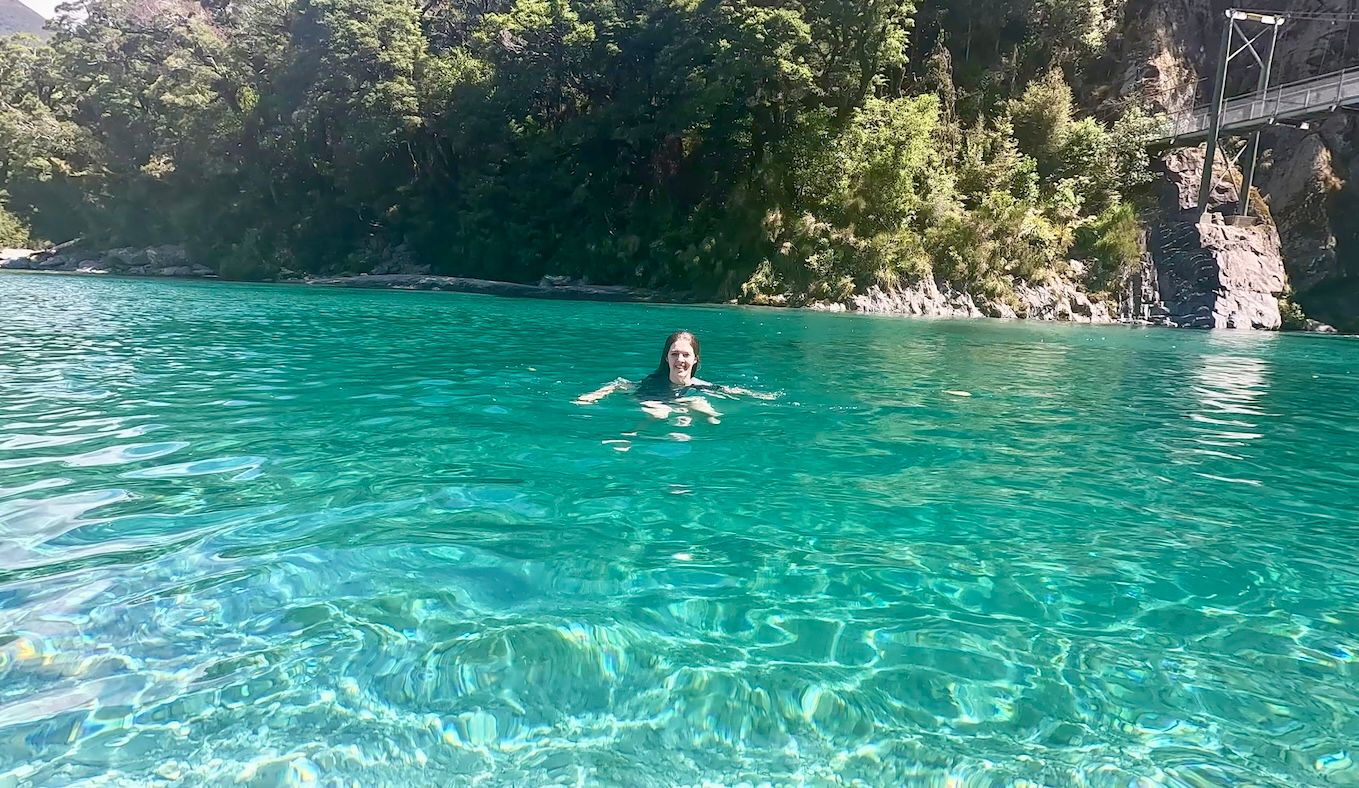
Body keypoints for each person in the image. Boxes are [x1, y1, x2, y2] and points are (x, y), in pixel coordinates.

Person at [574, 331, 769, 423]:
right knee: (661, 413)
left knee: (708, 412)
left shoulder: (700, 386)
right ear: (666, 358)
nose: (680, 360)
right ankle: (631, 437)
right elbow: (620, 384)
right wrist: (595, 395)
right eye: (674, 354)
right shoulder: (652, 383)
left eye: (686, 355)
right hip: (656, 401)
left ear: (695, 360)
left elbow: (728, 390)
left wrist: (760, 396)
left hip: (687, 399)